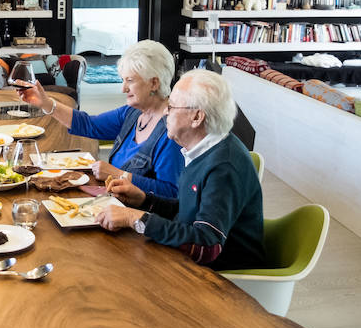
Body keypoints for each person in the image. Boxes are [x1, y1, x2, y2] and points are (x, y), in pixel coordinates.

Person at [96, 69, 265, 271]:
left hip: (221, 279)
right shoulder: (201, 148)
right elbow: (188, 211)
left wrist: (135, 218)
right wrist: (144, 200)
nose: (165, 112)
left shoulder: (223, 167)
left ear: (196, 117)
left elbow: (207, 246)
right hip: (189, 262)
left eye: (172, 106)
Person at [18, 40, 184, 199]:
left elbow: (171, 193)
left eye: (130, 81)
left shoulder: (172, 132)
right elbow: (89, 125)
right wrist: (45, 102)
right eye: (123, 80)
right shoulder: (132, 113)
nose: (123, 88)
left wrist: (120, 175)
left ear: (154, 83)